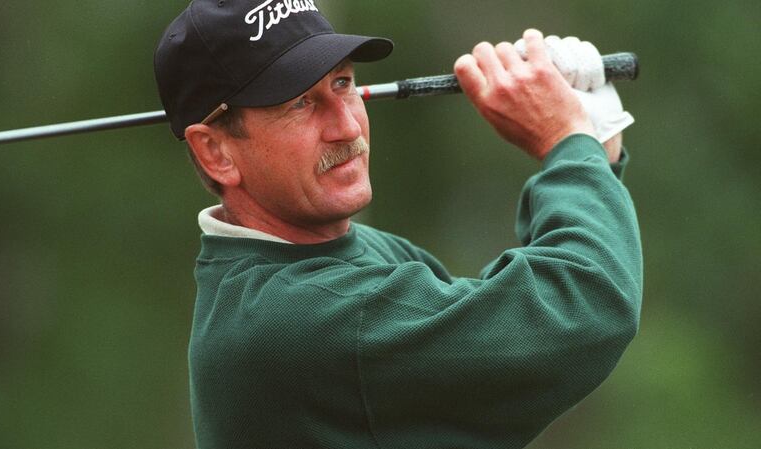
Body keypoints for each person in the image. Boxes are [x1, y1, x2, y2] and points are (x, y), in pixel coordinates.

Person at [153, 1, 642, 448]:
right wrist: (569, 144)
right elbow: (581, 308)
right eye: (299, 103)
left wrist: (594, 152)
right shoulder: (308, 316)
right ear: (216, 152)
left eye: (342, 83)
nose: (345, 126)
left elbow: (505, 320)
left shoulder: (342, 259)